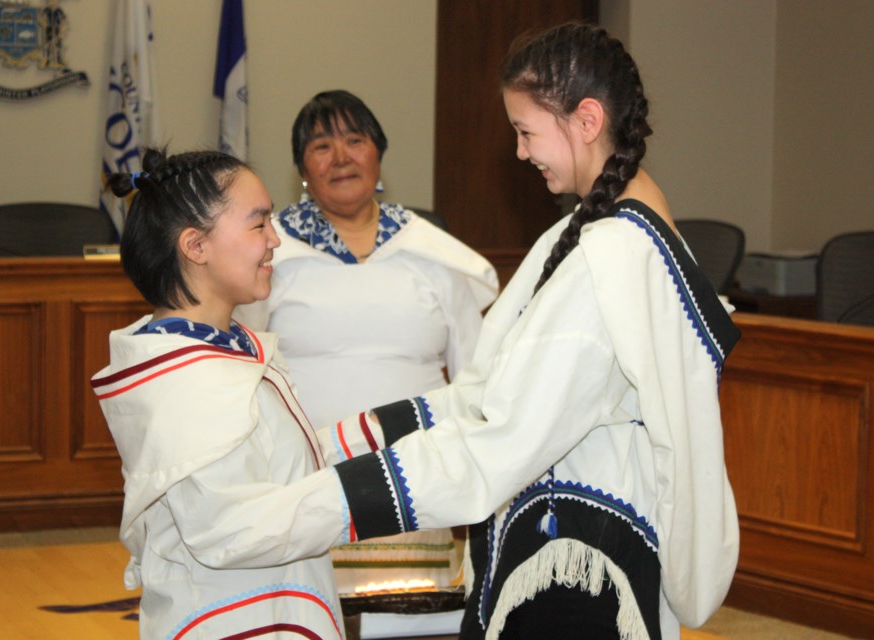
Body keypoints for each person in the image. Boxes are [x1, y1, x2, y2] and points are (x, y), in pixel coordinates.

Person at [309, 22, 742, 639]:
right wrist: (338, 442)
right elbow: (482, 394)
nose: (519, 151)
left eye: (525, 131)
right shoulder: (598, 231)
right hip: (577, 541)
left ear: (586, 120)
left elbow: (503, 438)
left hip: (575, 566)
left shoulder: (608, 254)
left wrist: (326, 498)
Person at [92, 148, 381, 640]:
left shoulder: (230, 348)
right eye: (258, 223)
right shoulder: (183, 382)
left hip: (282, 607)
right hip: (230, 622)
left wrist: (397, 429)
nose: (275, 239)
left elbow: (283, 464)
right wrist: (385, 493)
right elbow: (231, 528)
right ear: (195, 246)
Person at [237, 89, 498, 592]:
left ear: (378, 155)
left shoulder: (430, 252)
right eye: (321, 146)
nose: (340, 157)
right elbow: (244, 369)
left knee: (414, 612)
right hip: (310, 475)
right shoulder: (270, 253)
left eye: (355, 140)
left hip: (419, 471)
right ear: (302, 171)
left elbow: (476, 372)